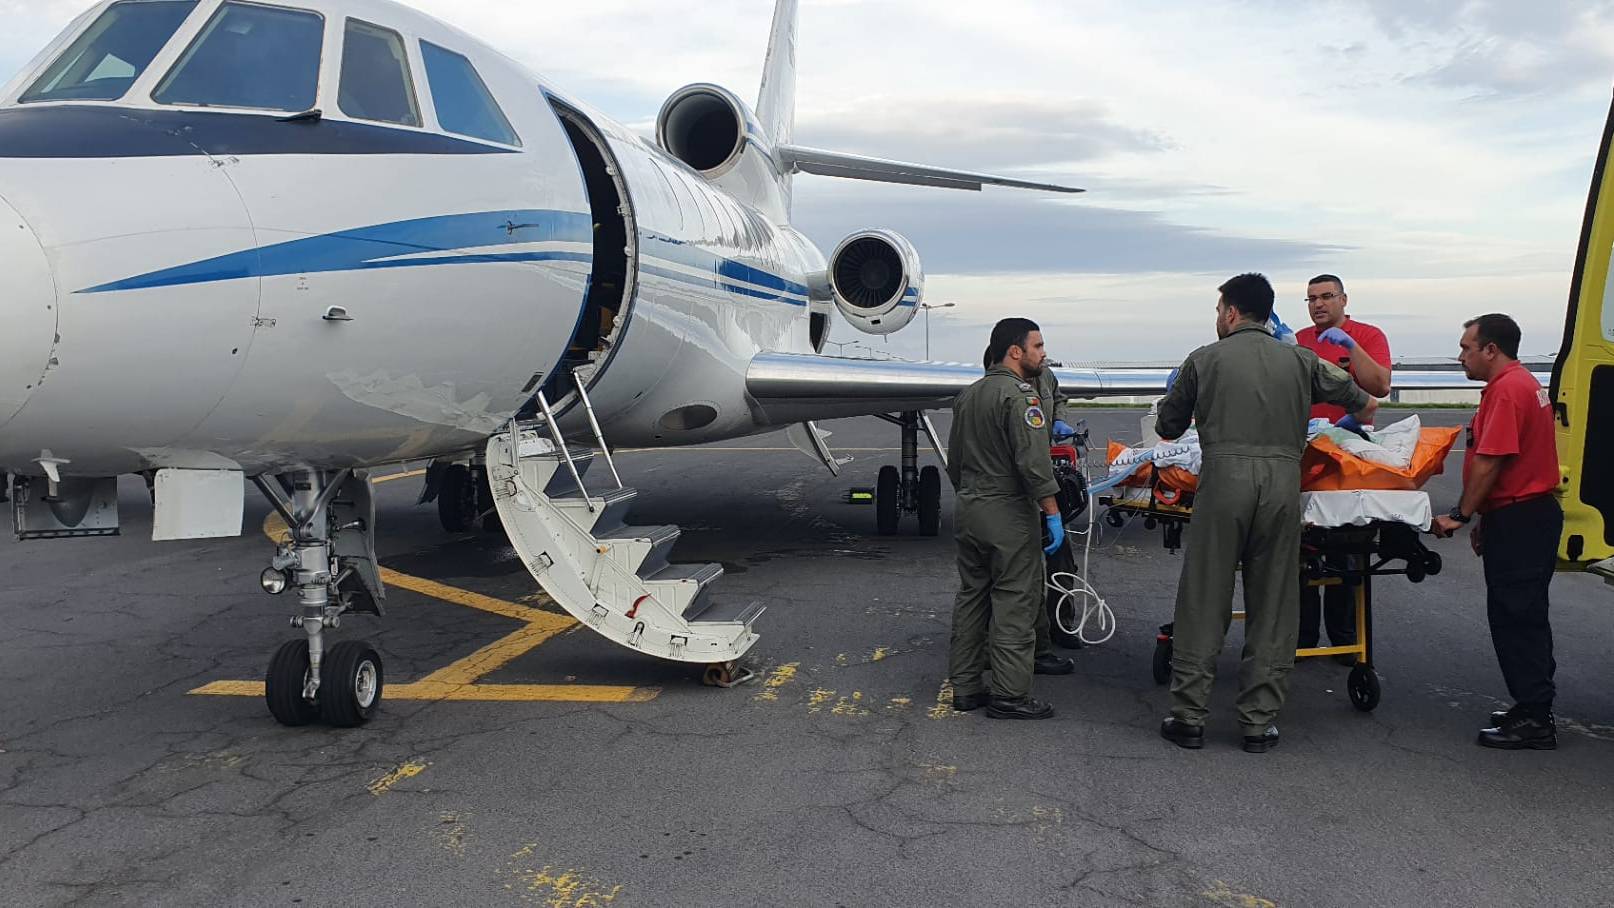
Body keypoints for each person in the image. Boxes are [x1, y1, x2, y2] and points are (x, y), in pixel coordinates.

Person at [1156, 273, 1377, 753]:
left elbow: (1168, 427)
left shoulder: (1203, 359)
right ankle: (1258, 722)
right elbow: (1364, 401)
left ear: (1232, 312)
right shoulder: (1301, 359)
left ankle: (1189, 715)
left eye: (1219, 310)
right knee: (1275, 602)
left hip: (1223, 484)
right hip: (1281, 485)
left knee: (1203, 598)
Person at [1431, 314, 1561, 750]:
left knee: (1517, 618)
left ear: (1491, 349)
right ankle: (1530, 705)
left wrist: (1462, 514)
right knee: (1520, 614)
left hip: (1523, 518)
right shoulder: (1520, 383)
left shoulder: (1507, 390)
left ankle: (1535, 718)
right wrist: (1488, 517)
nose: (1461, 355)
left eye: (1467, 347)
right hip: (1522, 514)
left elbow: (1492, 461)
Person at [948, 319, 1065, 720]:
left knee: (972, 596)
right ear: (1015, 351)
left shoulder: (970, 395)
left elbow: (954, 462)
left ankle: (965, 687)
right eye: (1038, 346)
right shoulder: (1021, 398)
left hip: (969, 507)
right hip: (1007, 512)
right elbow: (1034, 466)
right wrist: (1052, 513)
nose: (1043, 353)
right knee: (1016, 598)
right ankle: (1010, 694)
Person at [1293, 274, 1393, 655]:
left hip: (1350, 454)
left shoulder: (1368, 336)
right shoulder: (1299, 341)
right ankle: (1301, 638)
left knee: (1346, 548)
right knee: (1301, 548)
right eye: (1311, 299)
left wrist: (1350, 346)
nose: (1318, 304)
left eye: (1326, 297)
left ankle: (1345, 638)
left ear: (1344, 299)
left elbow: (1380, 386)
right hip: (1306, 452)